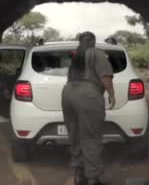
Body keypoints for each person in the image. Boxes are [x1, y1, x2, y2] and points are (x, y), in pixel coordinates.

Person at [62, 32, 115, 185]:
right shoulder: (97, 54)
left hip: (67, 94)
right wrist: (111, 94)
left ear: (80, 42)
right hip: (88, 95)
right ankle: (93, 178)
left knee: (75, 135)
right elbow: (106, 77)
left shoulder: (76, 56)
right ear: (93, 41)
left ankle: (79, 174)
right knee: (91, 137)